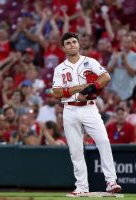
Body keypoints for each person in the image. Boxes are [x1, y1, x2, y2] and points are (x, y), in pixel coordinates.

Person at [52, 32, 121, 196]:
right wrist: (78, 88)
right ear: (63, 47)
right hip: (69, 109)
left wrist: (90, 88)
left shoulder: (90, 62)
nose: (72, 45)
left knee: (103, 141)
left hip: (89, 107)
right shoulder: (60, 68)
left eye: (74, 42)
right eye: (68, 43)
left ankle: (111, 181)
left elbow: (106, 77)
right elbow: (56, 92)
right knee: (76, 150)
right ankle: (82, 186)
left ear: (78, 44)